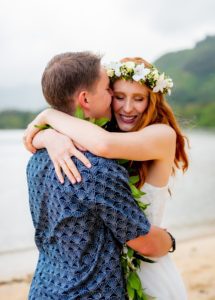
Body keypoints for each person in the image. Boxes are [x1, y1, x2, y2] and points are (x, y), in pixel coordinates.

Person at [25, 52, 174, 300]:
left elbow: (105, 145)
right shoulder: (91, 157)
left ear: (152, 100)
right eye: (115, 95)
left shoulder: (38, 160)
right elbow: (102, 148)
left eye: (138, 98)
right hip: (99, 283)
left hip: (53, 285)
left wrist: (47, 118)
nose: (126, 107)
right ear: (88, 99)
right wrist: (47, 134)